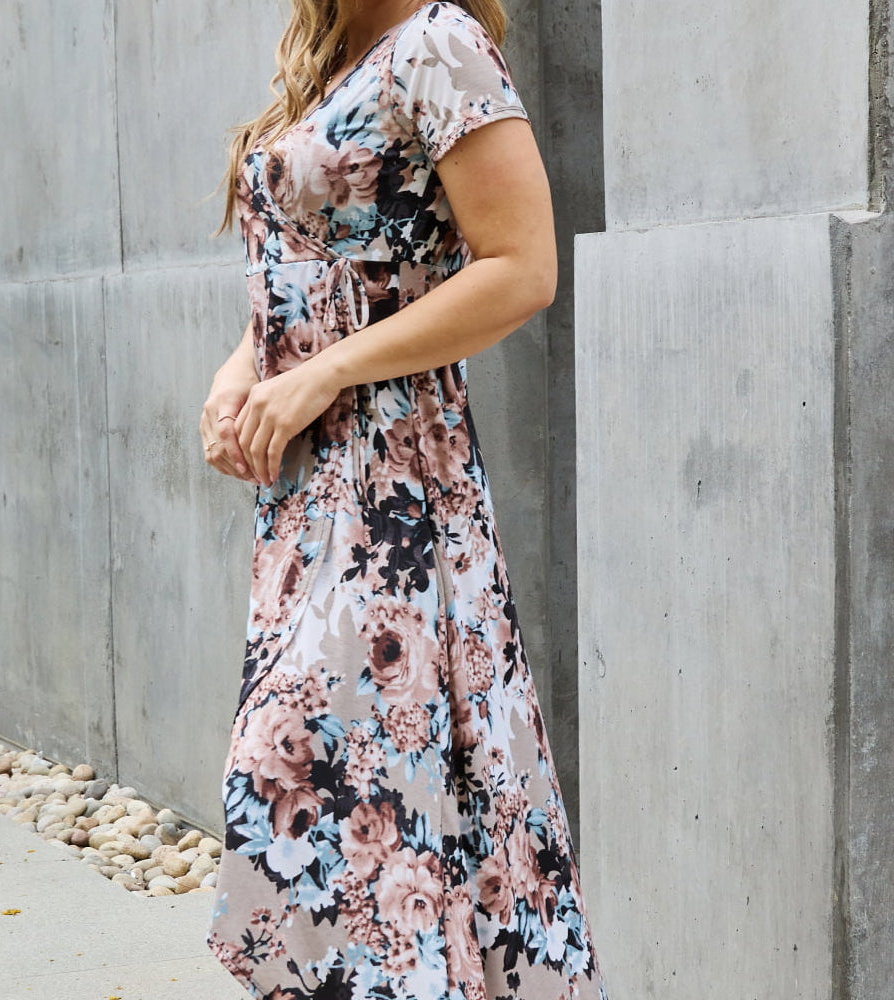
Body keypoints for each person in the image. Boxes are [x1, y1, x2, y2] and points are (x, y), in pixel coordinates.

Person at [199, 2, 607, 998]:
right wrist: (239, 372)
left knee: (318, 779)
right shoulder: (338, 54)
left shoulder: (439, 43)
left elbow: (523, 267)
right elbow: (318, 264)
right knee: (371, 802)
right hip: (309, 494)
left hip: (397, 491)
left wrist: (324, 371)